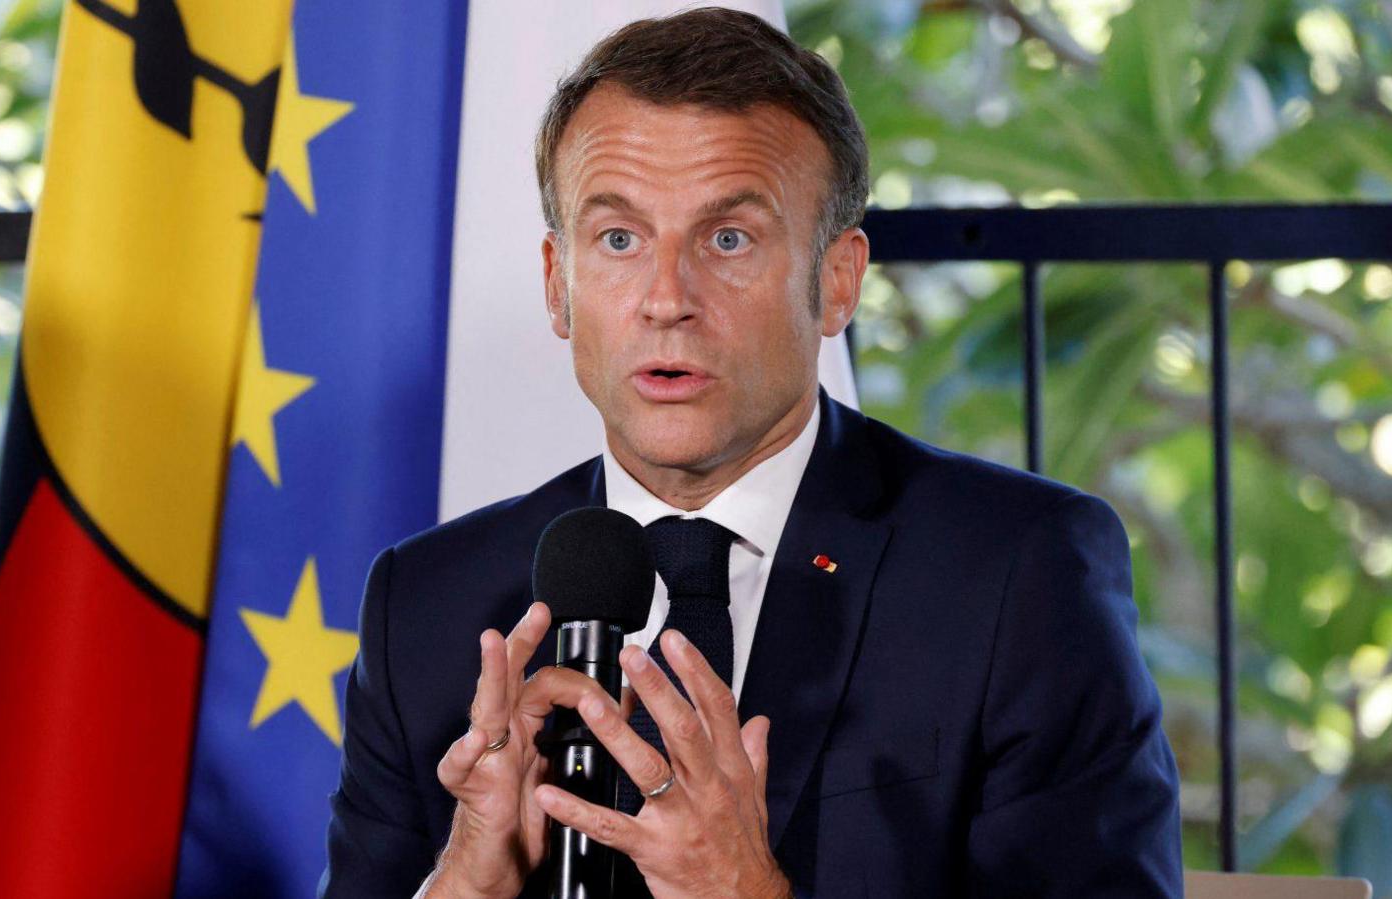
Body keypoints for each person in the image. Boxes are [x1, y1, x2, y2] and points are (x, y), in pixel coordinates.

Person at [319, 8, 1183, 898]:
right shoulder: (425, 607)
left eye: (727, 239)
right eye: (619, 239)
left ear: (836, 280)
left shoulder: (1019, 575)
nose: (666, 299)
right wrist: (466, 881)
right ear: (558, 285)